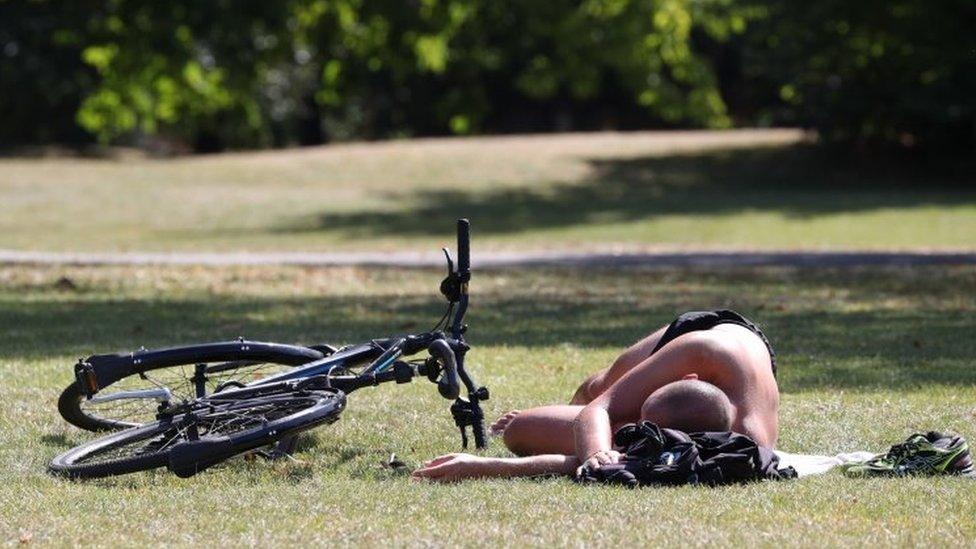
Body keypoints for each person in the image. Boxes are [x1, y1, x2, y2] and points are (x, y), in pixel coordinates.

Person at [412, 310, 780, 483]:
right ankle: (589, 413)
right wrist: (596, 453)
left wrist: (485, 467)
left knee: (522, 430)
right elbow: (600, 406)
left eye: (641, 428)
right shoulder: (696, 350)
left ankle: (614, 428)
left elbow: (647, 466)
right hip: (711, 332)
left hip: (727, 377)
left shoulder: (749, 444)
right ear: (686, 379)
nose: (636, 428)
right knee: (598, 387)